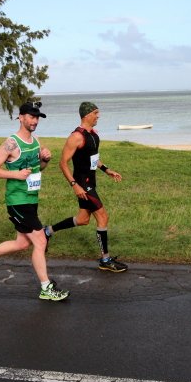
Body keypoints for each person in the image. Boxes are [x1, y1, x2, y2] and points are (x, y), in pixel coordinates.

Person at [0, 101, 69, 301]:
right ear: (21, 117)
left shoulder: (36, 141)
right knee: (40, 241)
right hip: (17, 201)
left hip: (31, 198)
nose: (35, 121)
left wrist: (45, 160)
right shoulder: (11, 144)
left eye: (37, 117)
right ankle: (46, 287)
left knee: (22, 243)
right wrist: (15, 175)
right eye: (31, 117)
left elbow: (38, 168)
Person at [45, 101, 128, 272]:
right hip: (83, 184)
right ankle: (105, 259)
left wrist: (107, 170)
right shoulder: (76, 136)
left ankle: (47, 231)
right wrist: (74, 185)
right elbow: (63, 163)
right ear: (86, 115)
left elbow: (93, 157)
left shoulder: (93, 134)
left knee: (83, 220)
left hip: (91, 182)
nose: (98, 116)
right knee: (103, 217)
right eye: (95, 113)